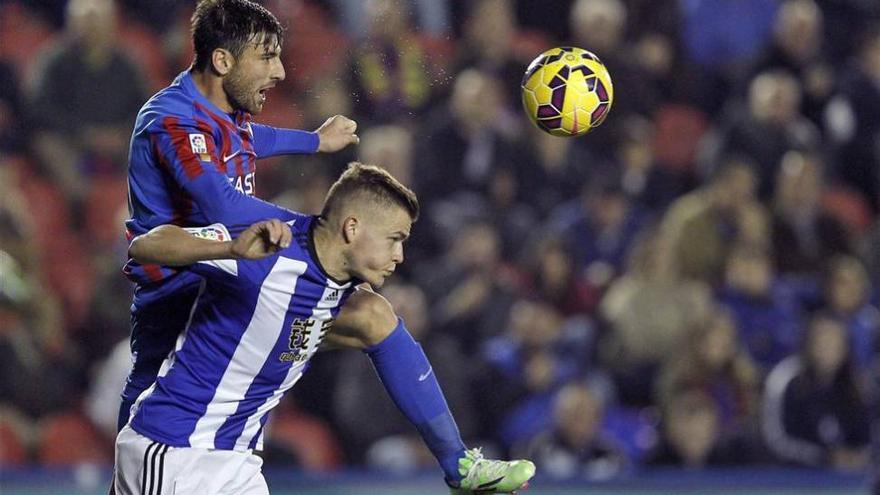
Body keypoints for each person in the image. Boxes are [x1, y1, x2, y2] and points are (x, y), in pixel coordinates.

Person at [115, 163, 536, 494]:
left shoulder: (345, 293)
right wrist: (228, 248)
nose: (400, 255)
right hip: (177, 451)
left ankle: (459, 465)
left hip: (236, 462)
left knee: (375, 315)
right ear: (352, 228)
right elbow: (146, 245)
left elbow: (365, 324)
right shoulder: (268, 248)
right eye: (394, 238)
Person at [120, 0, 360, 433]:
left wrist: (314, 142)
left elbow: (251, 139)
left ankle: (456, 460)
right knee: (148, 418)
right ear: (223, 60)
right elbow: (223, 206)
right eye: (267, 57)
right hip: (179, 302)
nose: (281, 72)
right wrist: (315, 231)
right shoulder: (172, 120)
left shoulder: (224, 111)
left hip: (231, 286)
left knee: (374, 318)